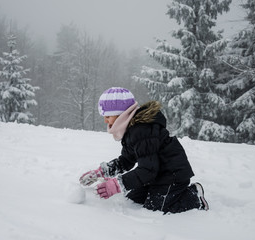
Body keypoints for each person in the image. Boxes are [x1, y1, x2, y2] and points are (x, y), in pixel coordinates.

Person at [79, 87, 209, 214]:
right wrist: (101, 172)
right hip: (156, 173)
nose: (105, 120)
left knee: (155, 208)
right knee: (133, 199)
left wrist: (117, 184)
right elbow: (126, 160)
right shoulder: (132, 130)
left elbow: (147, 170)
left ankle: (194, 196)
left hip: (171, 174)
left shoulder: (142, 130)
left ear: (121, 114)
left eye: (108, 116)